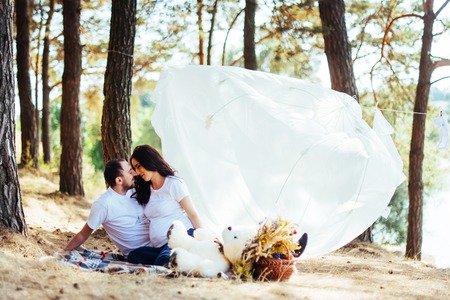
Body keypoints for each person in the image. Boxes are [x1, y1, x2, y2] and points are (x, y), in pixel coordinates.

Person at [127, 144, 203, 266]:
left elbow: (193, 214)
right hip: (160, 246)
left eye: (139, 166)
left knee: (163, 260)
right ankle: (178, 257)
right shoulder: (145, 189)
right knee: (134, 256)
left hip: (182, 236)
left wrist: (202, 240)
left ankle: (177, 255)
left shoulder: (173, 184)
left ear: (149, 160)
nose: (137, 172)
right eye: (135, 168)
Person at [63, 159, 151, 260]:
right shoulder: (104, 204)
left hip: (158, 244)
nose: (134, 173)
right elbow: (83, 234)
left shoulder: (133, 192)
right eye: (130, 171)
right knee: (165, 256)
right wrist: (64, 252)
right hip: (140, 253)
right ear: (119, 180)